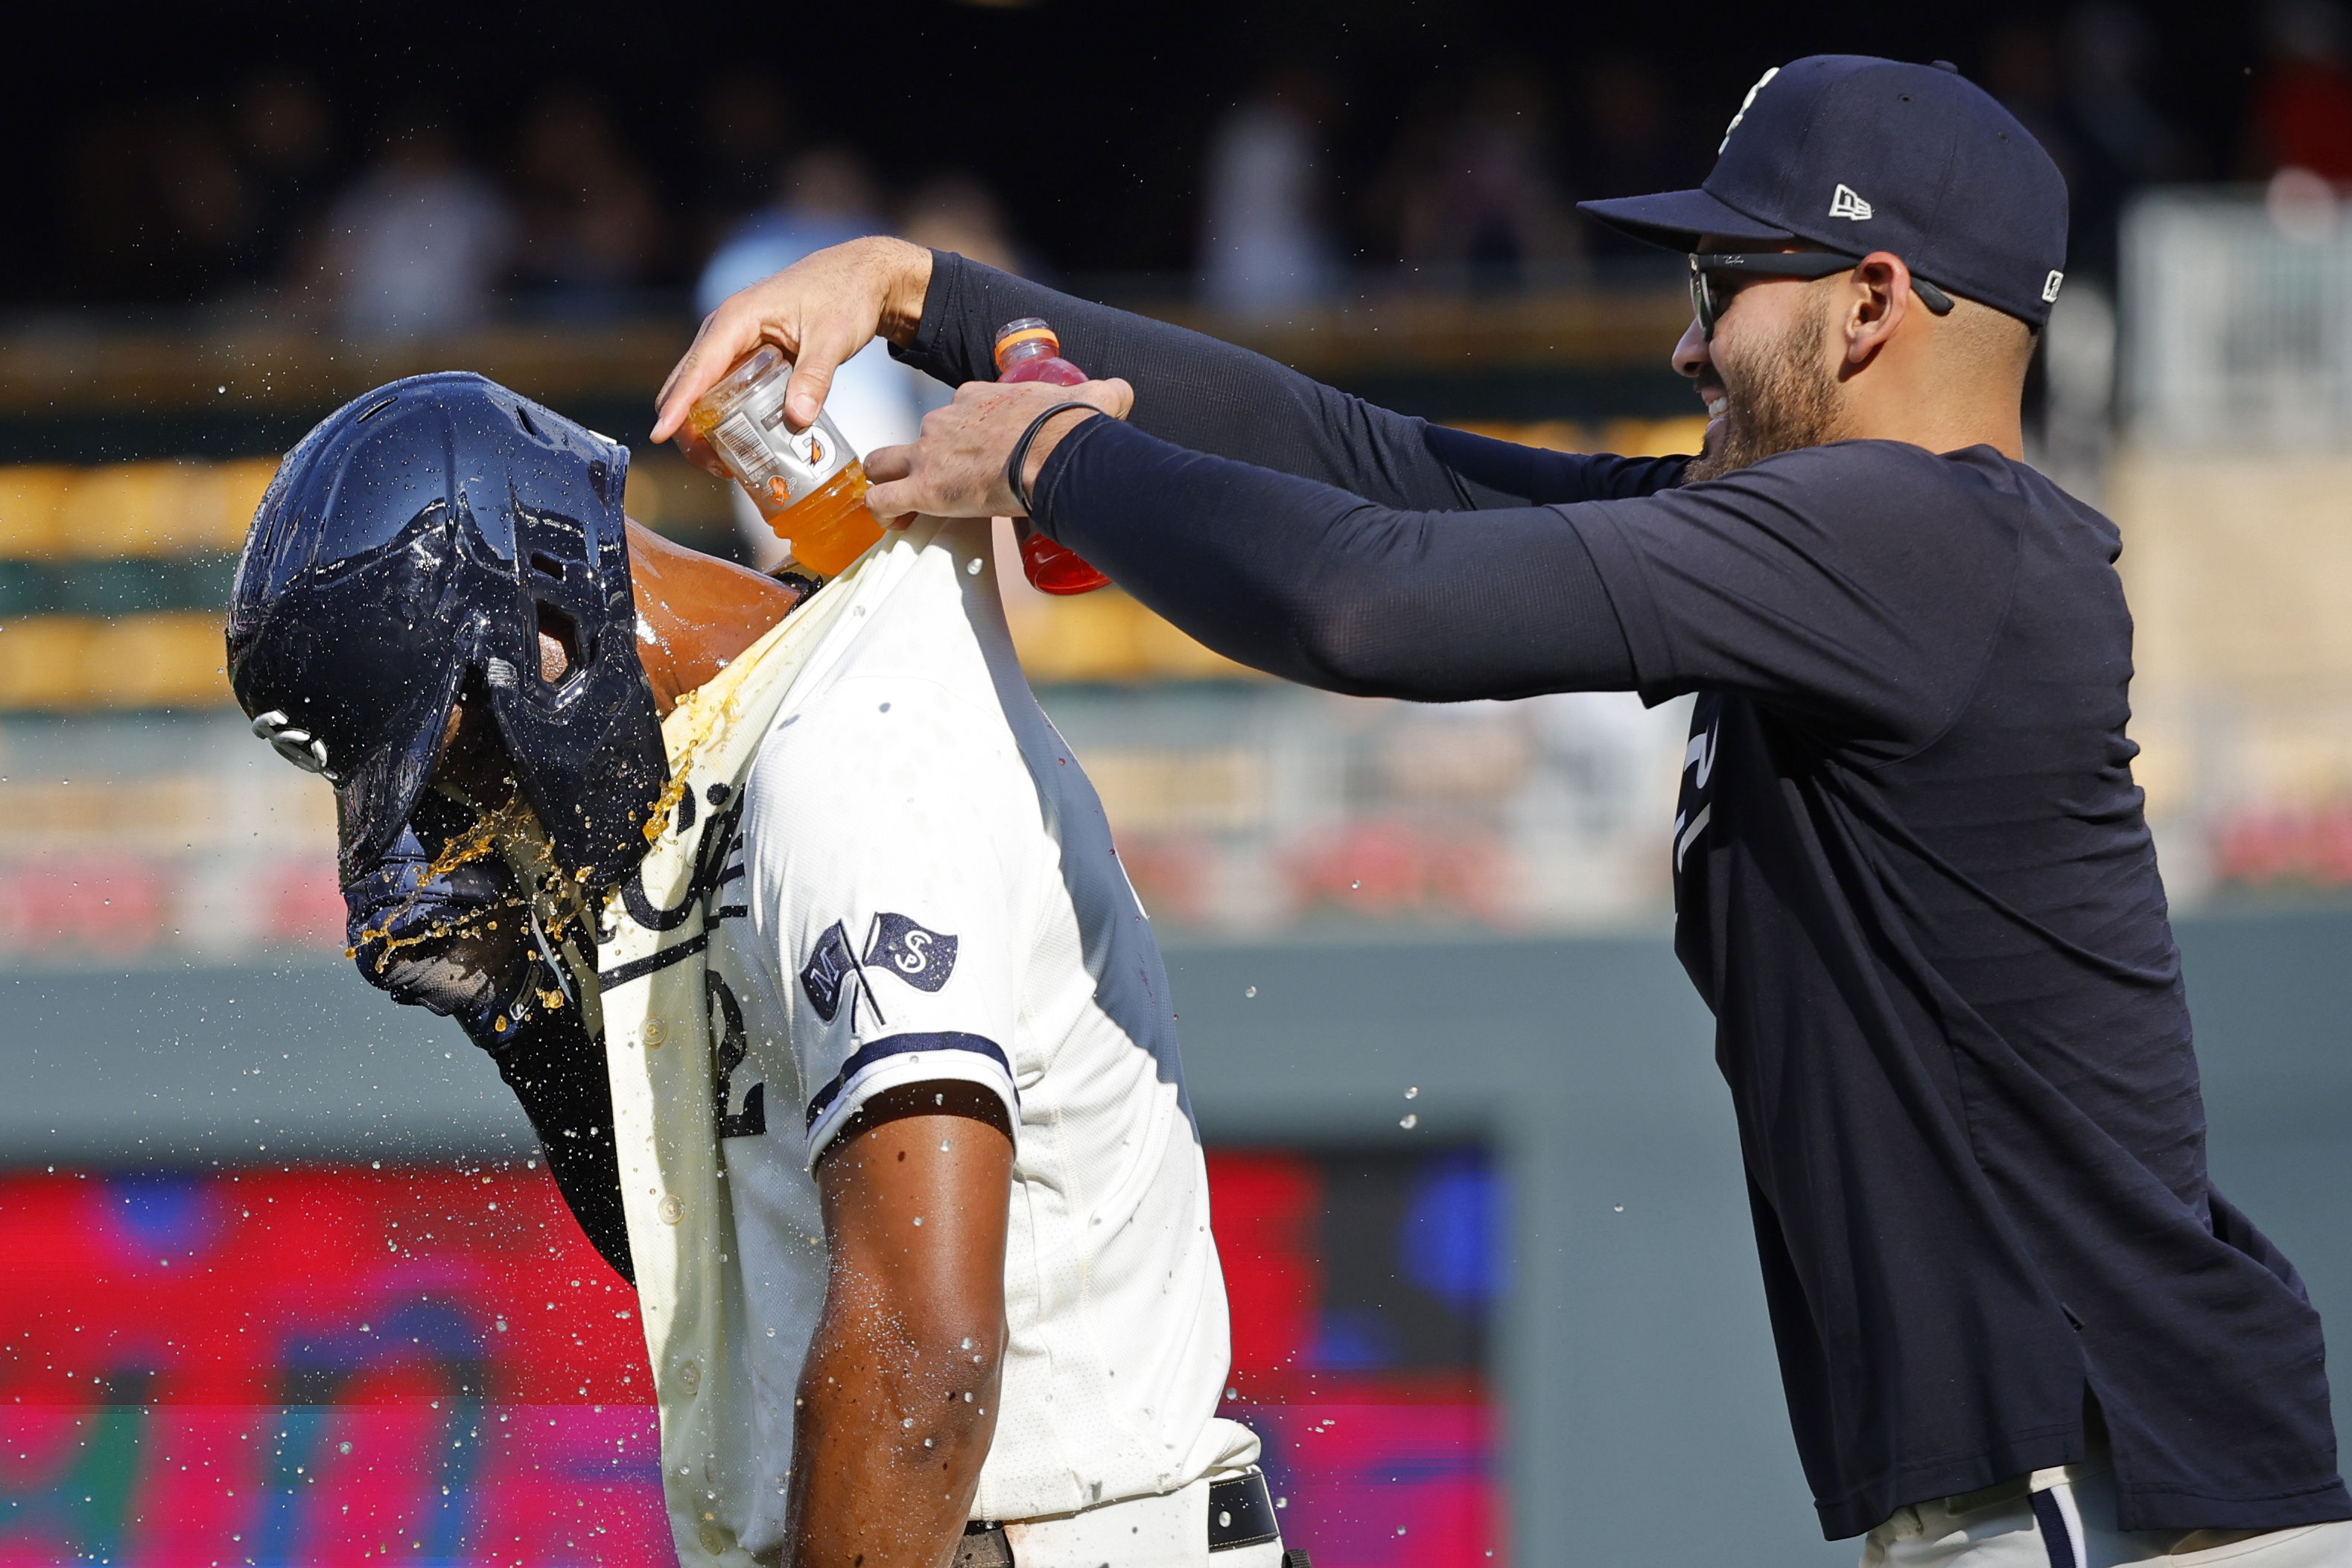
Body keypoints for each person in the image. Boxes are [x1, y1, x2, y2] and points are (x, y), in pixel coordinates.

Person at [653, 54, 2352, 1567]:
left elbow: (1362, 605)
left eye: (1720, 279)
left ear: (1870, 300)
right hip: (2091, 1490)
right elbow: (1370, 467)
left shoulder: (1920, 542)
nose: (1686, 338)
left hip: (2124, 1502)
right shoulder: (1849, 547)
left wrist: (1041, 459)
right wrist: (917, 292)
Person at [226, 374, 1291, 1568]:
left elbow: (924, 1354)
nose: (460, 816)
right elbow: (724, 1267)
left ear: (544, 628)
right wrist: (529, 1029)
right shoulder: (742, 761)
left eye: (453, 760)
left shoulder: (851, 754)